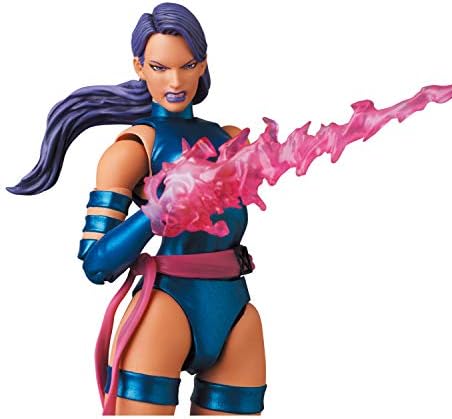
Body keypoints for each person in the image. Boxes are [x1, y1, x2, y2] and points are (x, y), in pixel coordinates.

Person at [8, 3, 266, 415]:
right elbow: (96, 265)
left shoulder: (232, 140)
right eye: (160, 67)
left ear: (203, 65)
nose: (175, 81)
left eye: (188, 65)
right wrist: (152, 215)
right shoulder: (134, 148)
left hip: (236, 312)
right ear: (139, 67)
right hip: (165, 310)